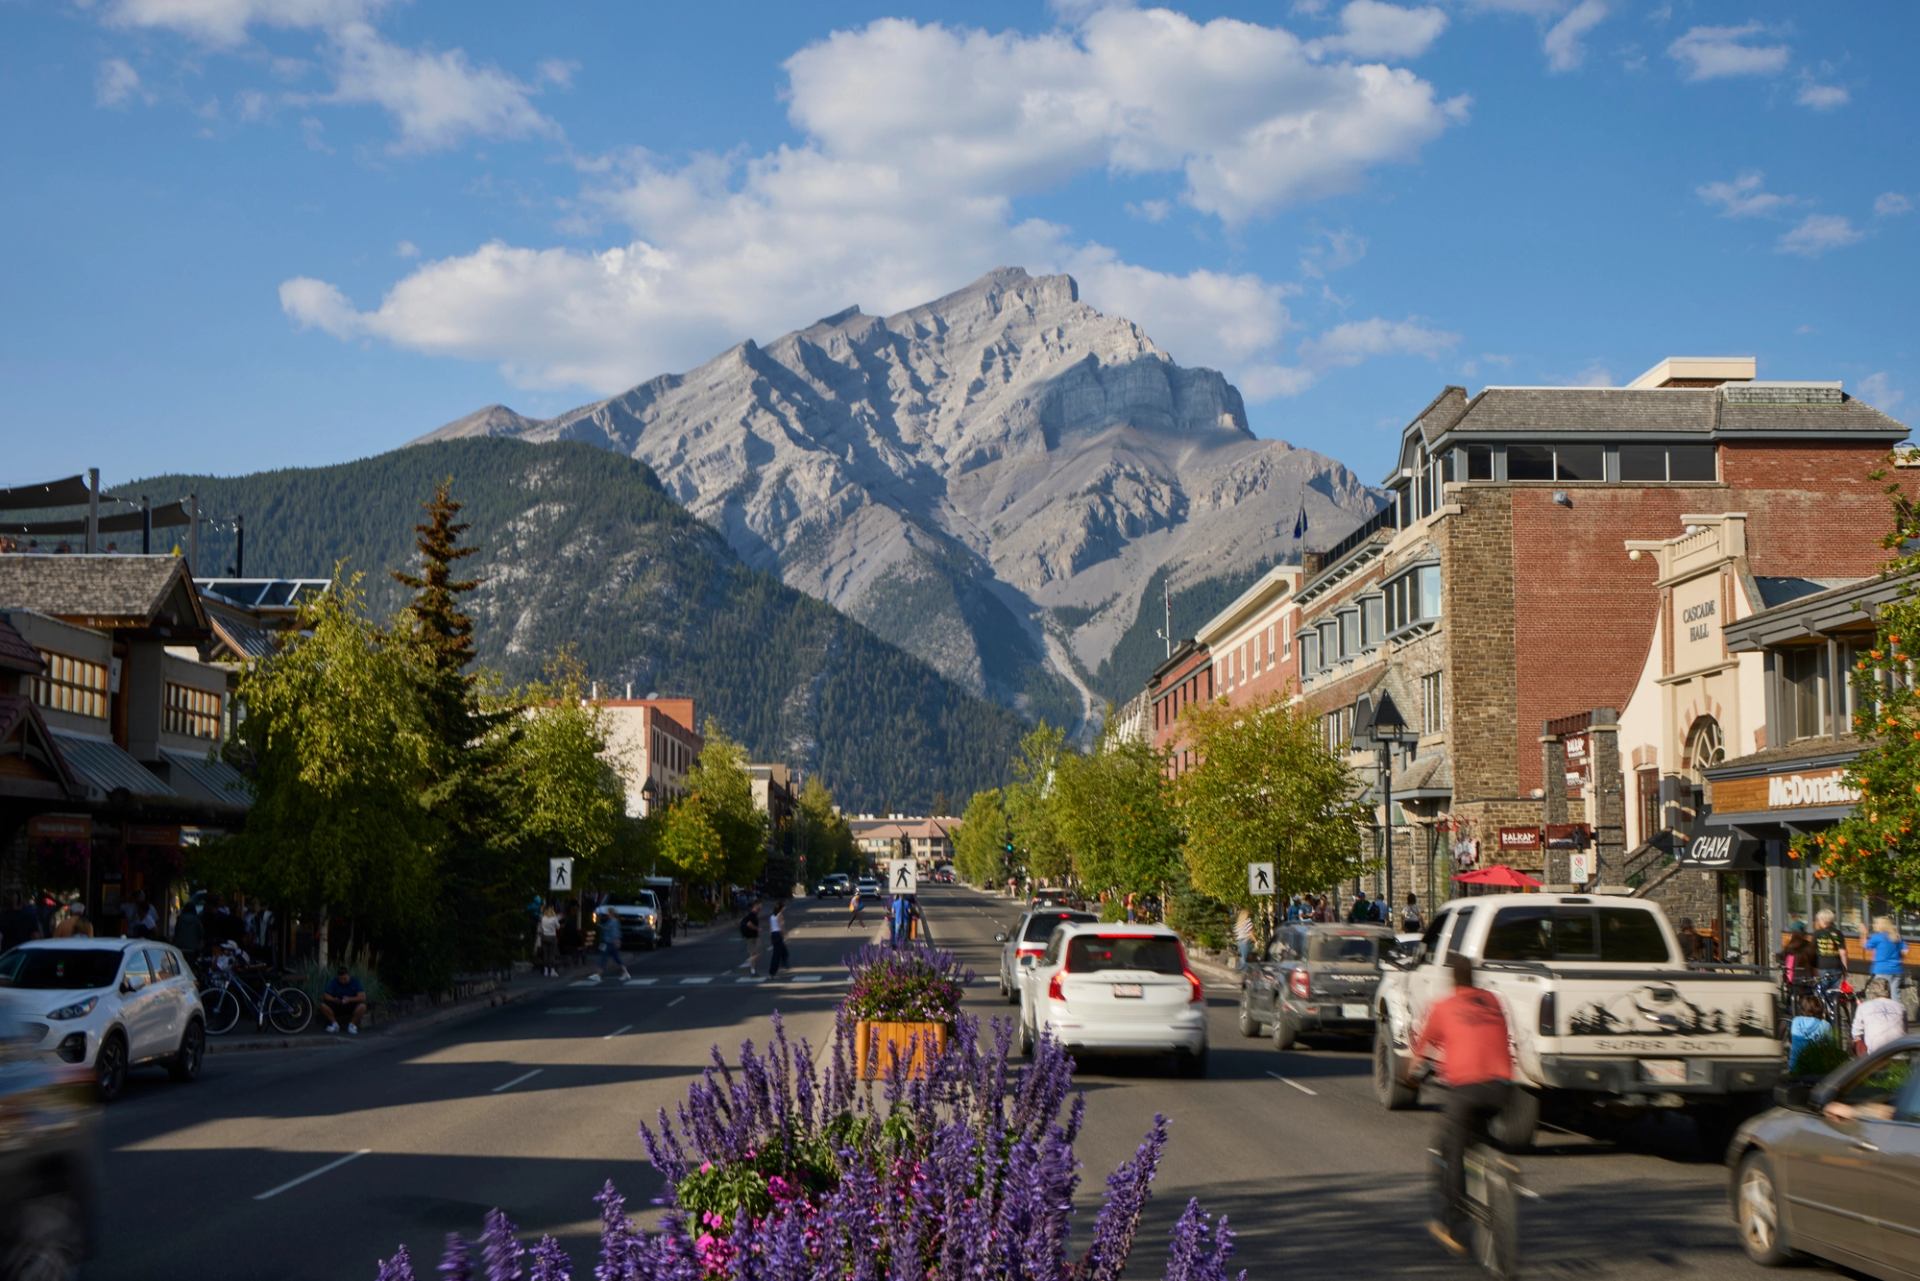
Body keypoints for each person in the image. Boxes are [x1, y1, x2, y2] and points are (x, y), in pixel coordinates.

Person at [1405, 956, 1515, 1259]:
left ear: (1453, 981)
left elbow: (1419, 1056)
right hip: (1503, 1088)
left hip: (1465, 1090)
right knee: (1482, 1131)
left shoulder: (1444, 1006)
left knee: (1449, 1149)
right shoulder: (1493, 1001)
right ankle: (1500, 1162)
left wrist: (1413, 1077)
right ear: (1474, 979)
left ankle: (1452, 1224)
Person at [1851, 976, 1907, 1056]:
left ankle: (1863, 1065)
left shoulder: (1863, 1006)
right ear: (1889, 991)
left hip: (1876, 1056)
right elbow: (1905, 1031)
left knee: (1856, 1040)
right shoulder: (1901, 1007)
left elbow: (1855, 1033)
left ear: (1872, 992)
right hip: (1899, 1053)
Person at [1786, 992, 1835, 1072]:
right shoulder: (1825, 1025)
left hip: (1795, 1068)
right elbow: (1831, 1048)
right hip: (1817, 1069)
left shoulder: (1796, 1022)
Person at [1865, 915, 1906, 1002]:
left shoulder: (1877, 937)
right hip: (1897, 970)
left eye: (1875, 923)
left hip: (1882, 970)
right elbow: (1905, 951)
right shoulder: (1897, 936)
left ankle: (1881, 1014)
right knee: (1895, 996)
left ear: (1881, 925)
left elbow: (1866, 946)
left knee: (1880, 995)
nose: (1873, 925)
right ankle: (1897, 1013)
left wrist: (1863, 934)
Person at [588, 906, 631, 983]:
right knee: (616, 959)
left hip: (610, 943)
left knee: (603, 958)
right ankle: (625, 973)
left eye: (608, 912)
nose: (607, 914)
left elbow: (614, 932)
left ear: (611, 913)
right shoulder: (611, 921)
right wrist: (599, 925)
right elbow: (606, 928)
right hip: (609, 942)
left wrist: (616, 941)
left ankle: (598, 975)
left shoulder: (613, 921)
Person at [1811, 908, 1848, 995]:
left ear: (1822, 920)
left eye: (1819, 919)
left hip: (1822, 966)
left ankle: (1823, 1008)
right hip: (1836, 966)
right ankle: (1833, 1008)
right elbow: (1843, 953)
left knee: (1821, 993)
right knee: (1834, 993)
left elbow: (1812, 952)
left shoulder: (1817, 933)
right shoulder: (1838, 933)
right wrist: (1845, 969)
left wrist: (1813, 968)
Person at [321, 964, 367, 1034]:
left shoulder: (355, 982)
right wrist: (334, 999)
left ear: (348, 976)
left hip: (351, 1005)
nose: (342, 981)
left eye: (345, 978)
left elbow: (363, 997)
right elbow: (325, 995)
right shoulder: (334, 982)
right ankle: (335, 1024)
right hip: (338, 1004)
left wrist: (349, 999)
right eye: (340, 979)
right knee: (323, 1005)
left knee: (362, 1006)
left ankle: (352, 1025)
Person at [1781, 921, 1817, 989]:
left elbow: (1784, 963)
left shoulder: (1788, 948)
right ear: (1804, 933)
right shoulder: (1809, 946)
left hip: (1792, 981)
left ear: (1793, 933)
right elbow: (1814, 965)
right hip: (1807, 980)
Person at [767, 899, 790, 978]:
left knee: (784, 952)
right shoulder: (780, 915)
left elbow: (770, 928)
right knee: (776, 955)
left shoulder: (772, 916)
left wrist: (771, 937)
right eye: (784, 907)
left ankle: (784, 966)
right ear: (781, 908)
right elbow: (781, 927)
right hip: (778, 934)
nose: (784, 908)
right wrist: (785, 935)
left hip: (774, 934)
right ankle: (772, 972)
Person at [537, 903, 561, 977]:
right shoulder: (554, 919)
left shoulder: (543, 918)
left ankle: (546, 970)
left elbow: (540, 928)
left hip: (544, 937)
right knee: (552, 954)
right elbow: (558, 927)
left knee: (545, 954)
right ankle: (552, 970)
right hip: (552, 937)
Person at [739, 898, 762, 973]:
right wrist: (757, 929)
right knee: (755, 953)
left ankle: (753, 970)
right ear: (755, 906)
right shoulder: (752, 914)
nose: (761, 906)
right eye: (759, 905)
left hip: (752, 936)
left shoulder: (753, 914)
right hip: (751, 937)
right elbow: (749, 924)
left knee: (754, 953)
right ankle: (750, 964)